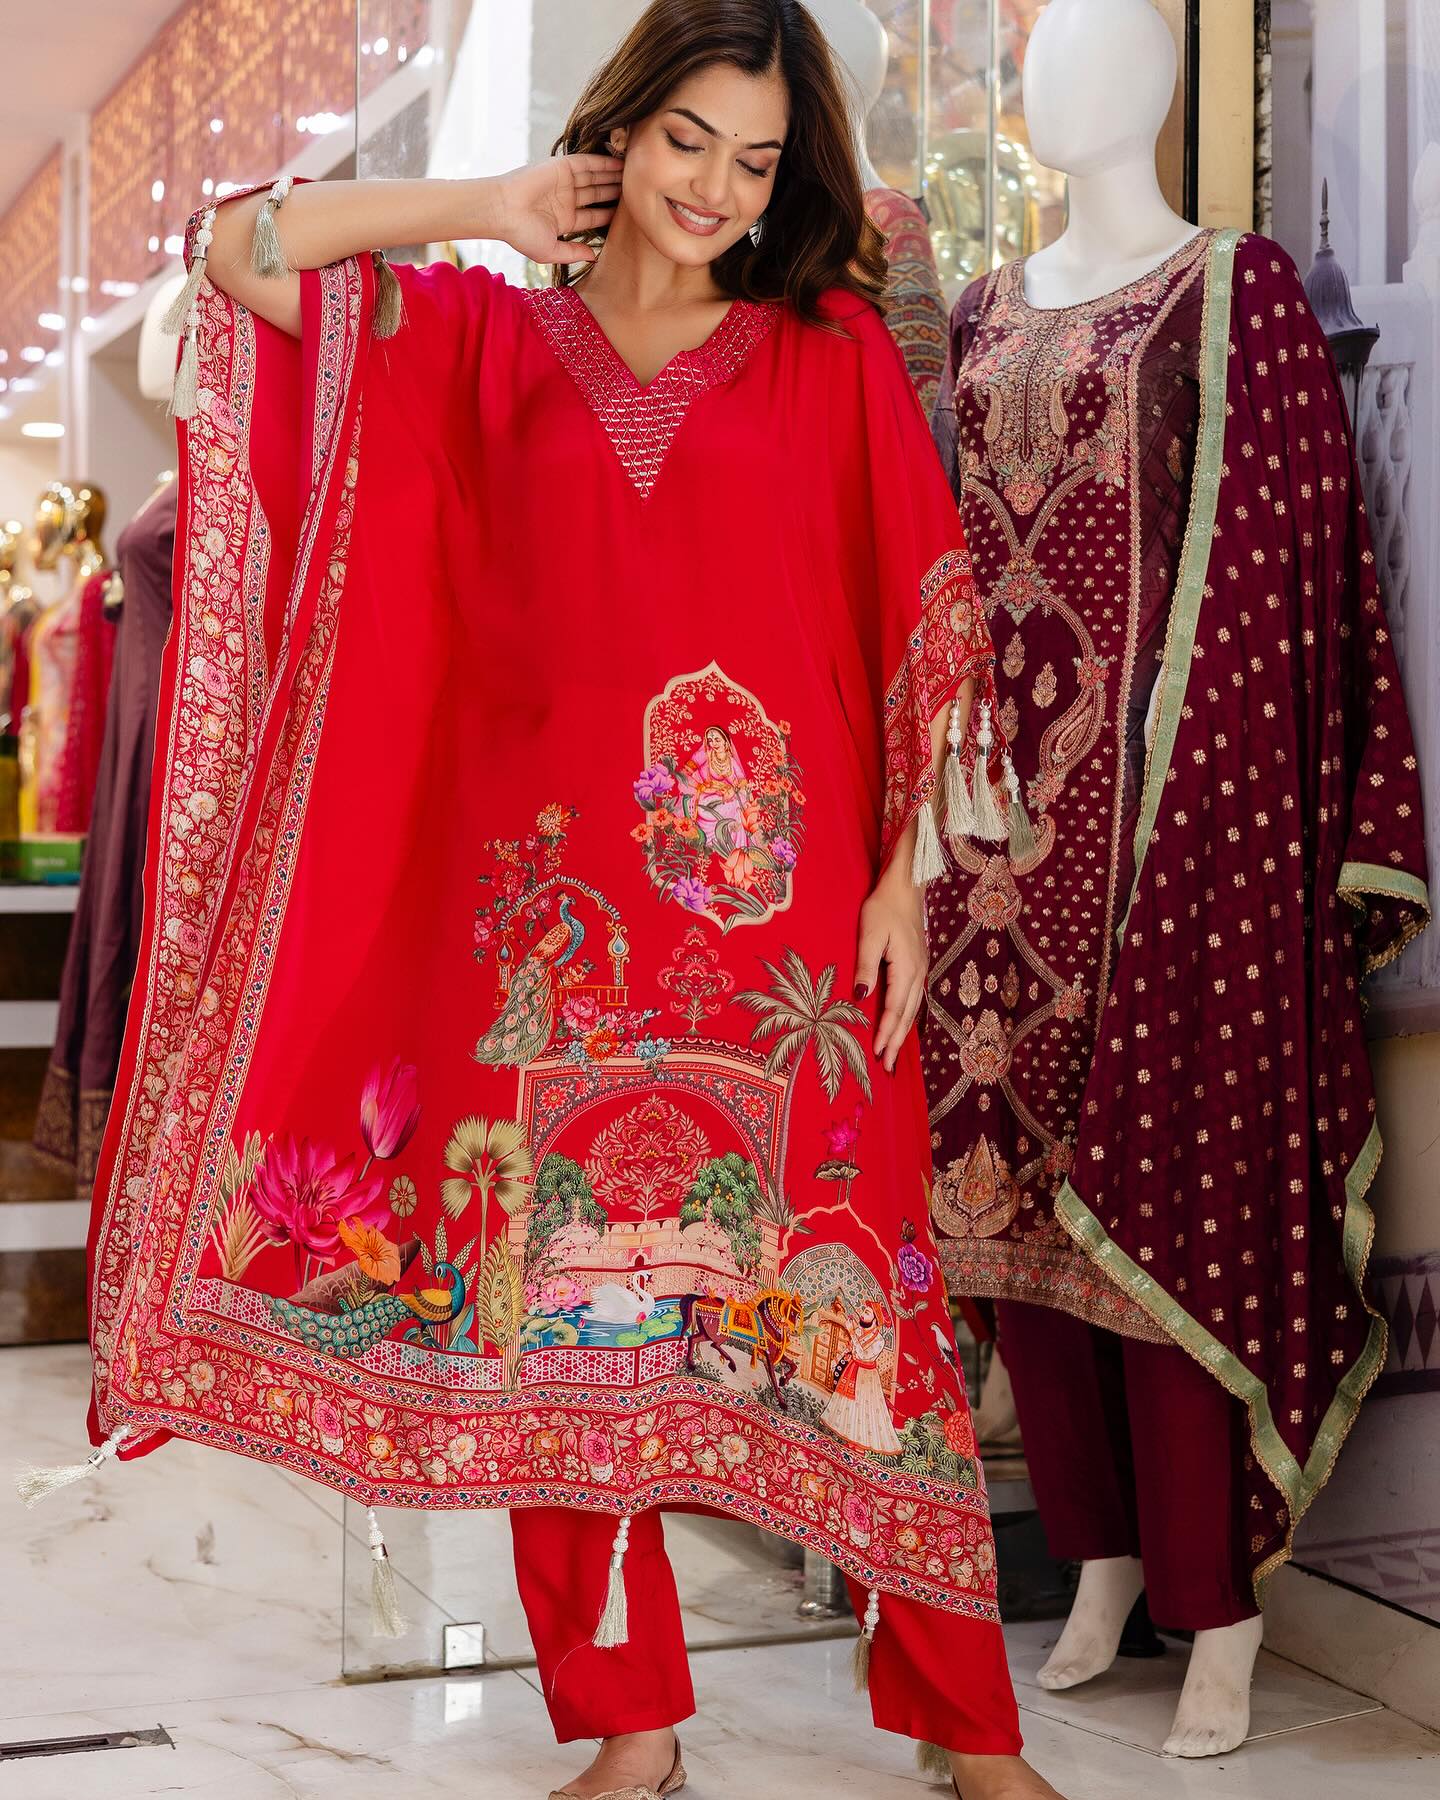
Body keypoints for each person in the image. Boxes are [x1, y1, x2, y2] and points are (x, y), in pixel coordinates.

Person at [61, 5, 1068, 1799]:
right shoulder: (467, 337)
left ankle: (965, 1733)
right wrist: (488, 201)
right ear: (622, 128)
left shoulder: (823, 351)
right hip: (542, 943)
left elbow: (918, 613)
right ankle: (632, 1732)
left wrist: (908, 886)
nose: (716, 190)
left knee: (865, 1313)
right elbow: (238, 250)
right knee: (556, 1323)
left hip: (787, 945)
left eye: (757, 164)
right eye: (689, 140)